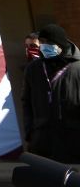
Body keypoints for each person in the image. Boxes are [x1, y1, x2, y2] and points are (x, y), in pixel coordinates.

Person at [22, 23, 80, 163]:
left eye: (48, 43)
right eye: (41, 42)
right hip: (42, 141)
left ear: (60, 43)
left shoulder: (77, 68)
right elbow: (26, 101)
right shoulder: (33, 69)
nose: (44, 46)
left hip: (73, 140)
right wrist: (30, 132)